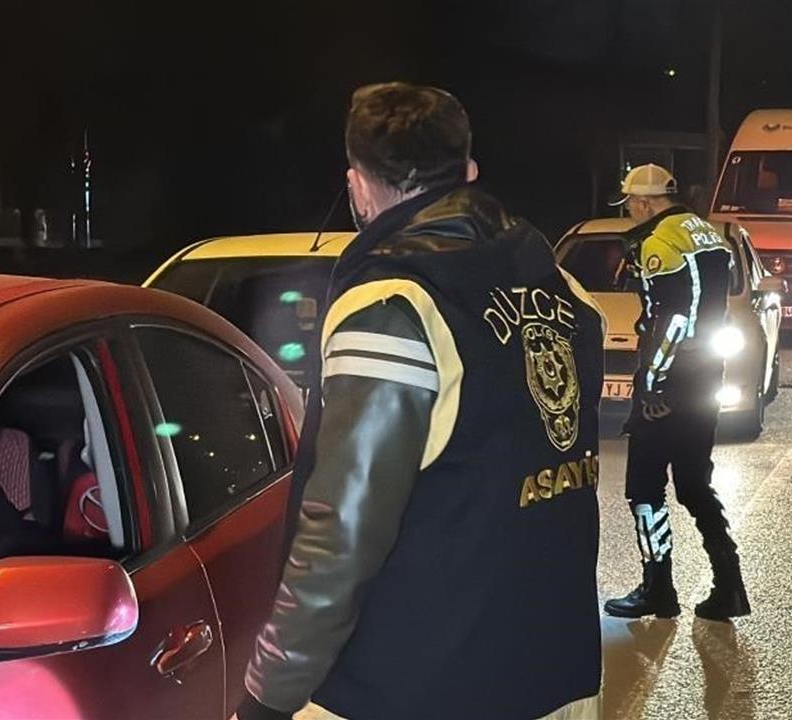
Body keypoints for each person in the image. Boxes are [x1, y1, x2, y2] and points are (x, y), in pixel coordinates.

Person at [236, 82, 606, 720]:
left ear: (357, 185)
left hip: (420, 685)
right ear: (468, 172)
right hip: (557, 669)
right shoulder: (562, 286)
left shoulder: (392, 306)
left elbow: (342, 528)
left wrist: (270, 694)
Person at [602, 164, 750, 622]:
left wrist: (652, 384)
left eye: (631, 203)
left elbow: (673, 321)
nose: (630, 211)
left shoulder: (659, 243)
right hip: (705, 377)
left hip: (671, 380)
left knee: (644, 488)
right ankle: (729, 585)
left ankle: (658, 589)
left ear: (645, 202)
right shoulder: (707, 233)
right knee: (693, 484)